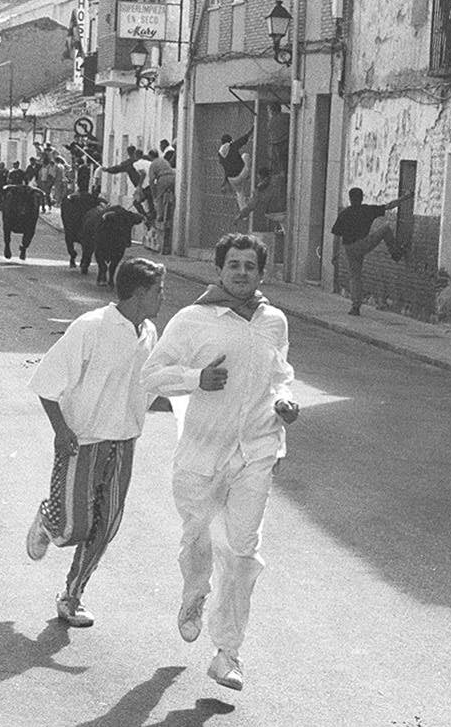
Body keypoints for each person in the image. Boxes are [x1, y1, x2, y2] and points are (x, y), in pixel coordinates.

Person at [141, 233, 299, 692]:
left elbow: (280, 374)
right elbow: (152, 375)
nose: (242, 273)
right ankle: (194, 592)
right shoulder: (193, 319)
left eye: (250, 266)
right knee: (197, 540)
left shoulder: (274, 321)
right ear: (220, 269)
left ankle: (228, 653)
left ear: (261, 273)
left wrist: (286, 401)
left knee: (243, 550)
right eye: (234, 265)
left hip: (257, 450)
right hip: (202, 454)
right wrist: (196, 378)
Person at [25, 258, 165, 627]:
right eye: (158, 291)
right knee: (73, 528)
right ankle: (47, 519)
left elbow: (148, 386)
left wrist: (198, 390)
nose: (162, 297)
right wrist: (61, 431)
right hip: (83, 440)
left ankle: (72, 596)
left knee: (106, 526)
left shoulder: (148, 331)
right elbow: (47, 381)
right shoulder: (91, 327)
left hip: (124, 442)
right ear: (139, 293)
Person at [331, 187, 413, 316]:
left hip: (349, 248)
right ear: (362, 197)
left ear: (350, 198)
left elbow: (337, 234)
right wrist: (406, 197)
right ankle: (396, 253)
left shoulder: (344, 213)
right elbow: (389, 206)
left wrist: (335, 254)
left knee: (355, 276)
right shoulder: (367, 210)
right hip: (362, 244)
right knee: (385, 229)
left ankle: (355, 307)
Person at [218, 129, 253, 209]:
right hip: (242, 172)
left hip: (232, 179)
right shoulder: (231, 145)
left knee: (239, 193)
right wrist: (253, 128)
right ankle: (249, 175)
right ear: (229, 141)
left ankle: (243, 212)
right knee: (245, 155)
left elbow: (226, 169)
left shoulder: (220, 154)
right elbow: (244, 138)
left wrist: (225, 182)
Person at [265, 104, 289, 176]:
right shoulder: (287, 116)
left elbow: (270, 132)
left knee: (279, 162)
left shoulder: (271, 121)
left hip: (277, 144)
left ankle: (282, 175)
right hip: (287, 141)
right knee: (284, 162)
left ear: (272, 110)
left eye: (269, 110)